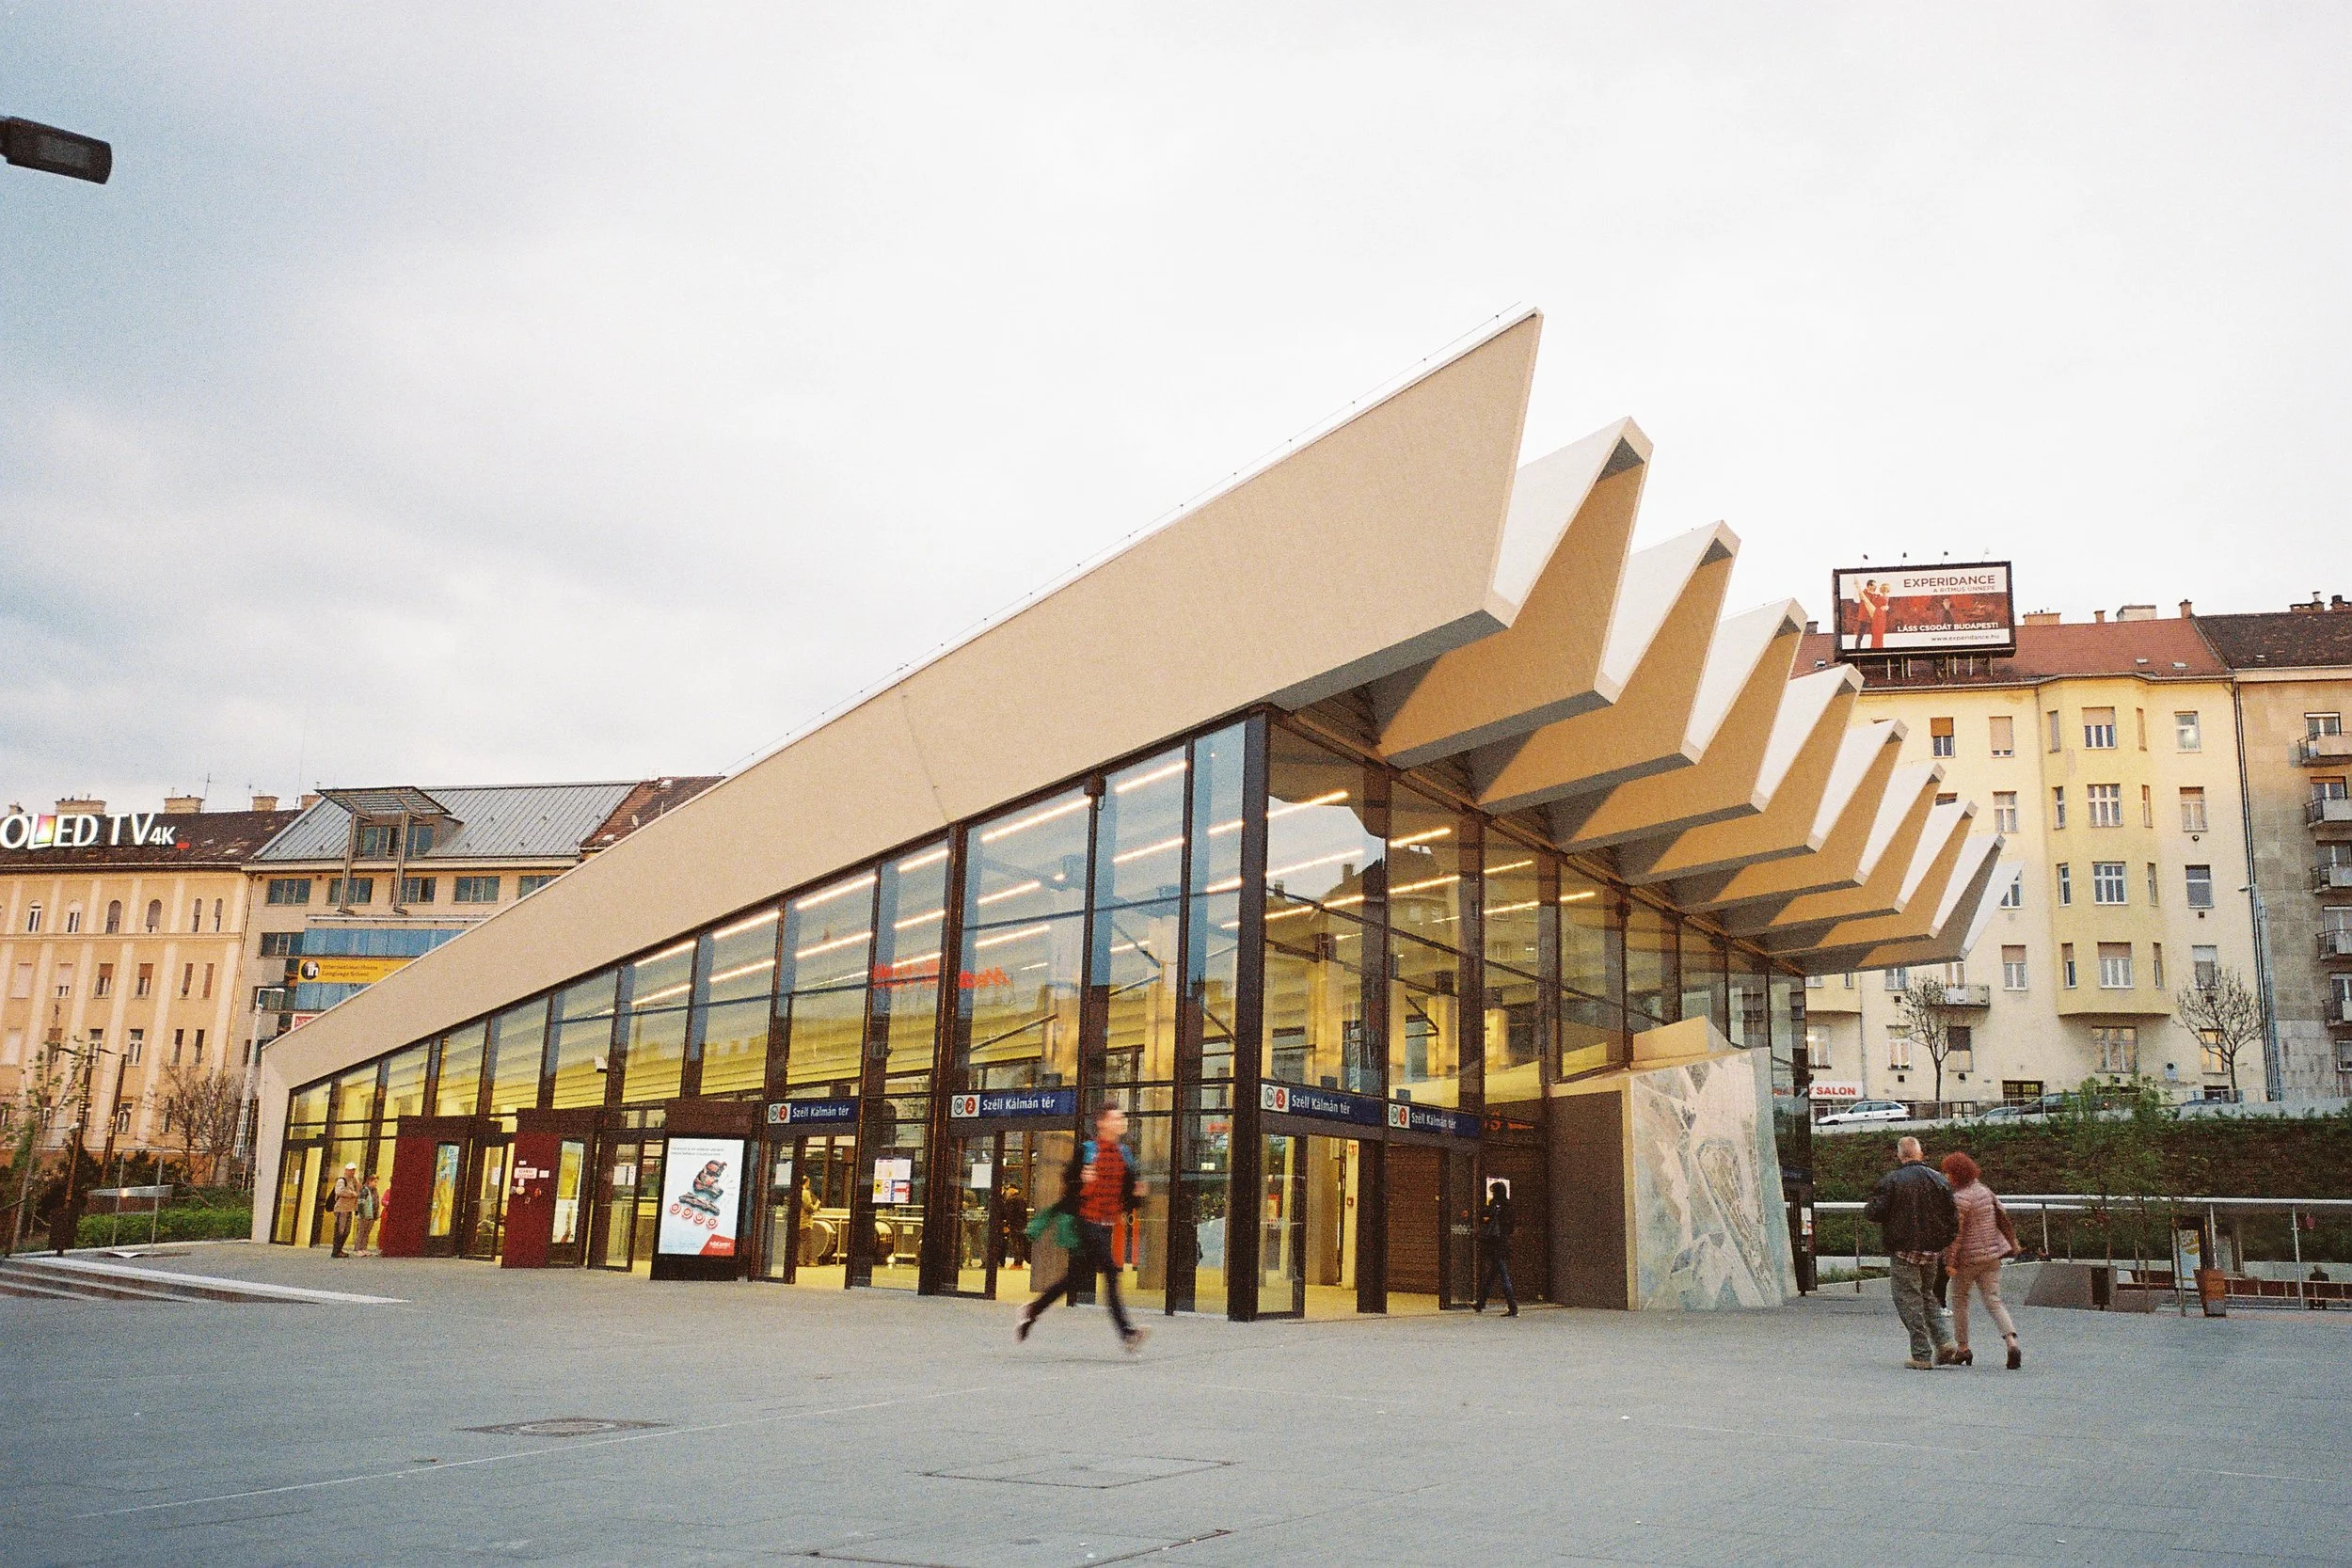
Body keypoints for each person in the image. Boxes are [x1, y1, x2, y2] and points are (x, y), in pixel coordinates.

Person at [1017, 1103, 1147, 1353]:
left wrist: (1137, 1195)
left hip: (1106, 1224)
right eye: (1116, 1118)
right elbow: (1069, 1182)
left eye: (1122, 1118)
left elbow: (1129, 1196)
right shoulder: (1088, 1150)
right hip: (1086, 1221)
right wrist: (1081, 1180)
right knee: (1111, 1271)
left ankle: (1032, 1310)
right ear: (1102, 1123)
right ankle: (1127, 1333)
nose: (1121, 1122)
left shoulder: (1125, 1155)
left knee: (1074, 1278)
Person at [1863, 1136, 1959, 1369]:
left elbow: (1874, 1212)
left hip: (1904, 1249)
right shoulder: (1939, 1180)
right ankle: (1945, 1341)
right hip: (1932, 1251)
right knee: (1927, 1295)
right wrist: (1942, 1242)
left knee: (1908, 1299)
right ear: (1920, 1154)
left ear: (1900, 1155)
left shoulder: (1892, 1180)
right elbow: (1952, 1218)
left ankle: (1921, 1354)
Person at [1940, 1151, 2022, 1370]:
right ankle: (2011, 1342)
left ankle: (1963, 1348)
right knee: (1994, 1300)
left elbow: (1956, 1235)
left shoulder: (1960, 1199)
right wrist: (2012, 1244)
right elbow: (2002, 1216)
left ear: (1956, 1174)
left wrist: (1949, 1262)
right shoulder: (1985, 1191)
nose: (1945, 1176)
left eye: (1948, 1172)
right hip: (1992, 1256)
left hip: (1967, 1259)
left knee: (1959, 1300)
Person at [1472, 1180, 1518, 1316]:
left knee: (1503, 1275)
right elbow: (1511, 1226)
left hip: (1494, 1244)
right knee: (1492, 1275)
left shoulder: (1494, 1205)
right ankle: (1481, 1303)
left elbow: (1483, 1218)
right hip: (1504, 1243)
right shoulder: (1509, 1207)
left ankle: (1513, 1307)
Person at [328, 1163, 362, 1259]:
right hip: (341, 1209)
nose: (352, 1172)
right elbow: (339, 1191)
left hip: (349, 1209)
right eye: (350, 1170)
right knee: (340, 1230)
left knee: (347, 1231)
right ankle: (336, 1251)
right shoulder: (341, 1180)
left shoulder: (354, 1181)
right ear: (346, 1170)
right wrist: (352, 1194)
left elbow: (359, 1191)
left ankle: (340, 1249)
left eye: (353, 1170)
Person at [352, 1174, 382, 1257]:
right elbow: (361, 1202)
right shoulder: (364, 1190)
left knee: (367, 1232)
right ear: (369, 1181)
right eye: (375, 1182)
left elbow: (376, 1202)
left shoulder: (375, 1191)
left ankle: (363, 1248)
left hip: (371, 1215)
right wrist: (361, 1214)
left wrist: (376, 1214)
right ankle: (358, 1249)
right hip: (365, 1214)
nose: (376, 1184)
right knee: (361, 1232)